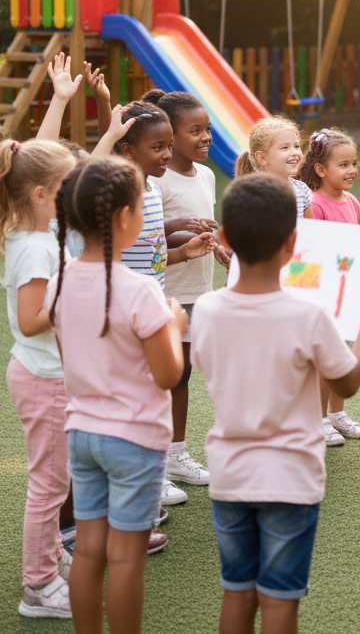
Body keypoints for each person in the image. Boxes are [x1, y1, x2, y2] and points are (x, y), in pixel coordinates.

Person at [191, 173, 360, 634]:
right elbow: (348, 382)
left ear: (225, 239)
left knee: (237, 592)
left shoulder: (207, 310)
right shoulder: (309, 316)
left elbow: (203, 360)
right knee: (280, 599)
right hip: (291, 479)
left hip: (230, 476)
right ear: (293, 244)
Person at [49, 157, 189, 634]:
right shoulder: (141, 291)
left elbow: (70, 357)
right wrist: (175, 329)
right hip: (134, 438)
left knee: (89, 549)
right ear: (126, 217)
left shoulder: (60, 280)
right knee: (127, 557)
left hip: (82, 434)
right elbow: (168, 375)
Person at [112, 101, 216, 509]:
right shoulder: (122, 193)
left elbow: (154, 252)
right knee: (144, 391)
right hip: (135, 310)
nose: (167, 154)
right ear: (128, 150)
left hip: (162, 303)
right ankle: (146, 474)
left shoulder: (153, 188)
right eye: (159, 147)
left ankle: (167, 459)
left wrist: (185, 250)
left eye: (168, 146)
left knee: (171, 381)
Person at [2, 137, 78, 619]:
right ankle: (38, 585)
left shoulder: (39, 237)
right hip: (44, 378)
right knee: (49, 486)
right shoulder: (33, 249)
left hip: (50, 374)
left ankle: (49, 557)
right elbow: (32, 320)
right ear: (40, 194)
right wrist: (76, 297)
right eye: (68, 186)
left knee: (57, 480)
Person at [147, 89, 230, 491]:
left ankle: (175, 455)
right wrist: (184, 232)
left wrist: (218, 248)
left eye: (207, 129)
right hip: (165, 294)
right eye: (195, 131)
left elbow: (204, 227)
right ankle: (153, 463)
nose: (206, 137)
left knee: (182, 377)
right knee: (160, 379)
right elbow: (146, 238)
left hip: (198, 294)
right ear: (170, 136)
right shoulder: (154, 182)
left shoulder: (207, 175)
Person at [298, 127, 360, 441]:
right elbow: (311, 249)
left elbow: (358, 245)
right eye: (343, 165)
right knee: (324, 357)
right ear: (320, 169)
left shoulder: (351, 201)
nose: (352, 170)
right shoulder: (315, 204)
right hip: (324, 293)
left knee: (342, 355)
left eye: (353, 163)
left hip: (348, 291)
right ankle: (318, 420)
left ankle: (336, 413)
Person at [236, 117, 315, 221]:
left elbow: (310, 225)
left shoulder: (302, 190)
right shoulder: (253, 194)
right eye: (285, 147)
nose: (295, 152)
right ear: (262, 158)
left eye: (296, 146)